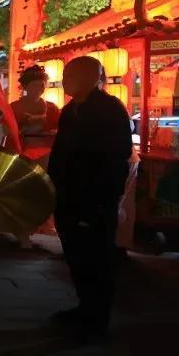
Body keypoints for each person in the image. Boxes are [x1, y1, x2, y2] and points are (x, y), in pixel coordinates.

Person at [47, 56, 132, 340]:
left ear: (91, 78)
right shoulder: (70, 110)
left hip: (95, 198)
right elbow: (59, 154)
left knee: (97, 258)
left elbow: (115, 159)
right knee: (76, 256)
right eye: (66, 74)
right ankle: (84, 307)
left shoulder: (109, 110)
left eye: (72, 74)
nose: (66, 79)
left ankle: (98, 320)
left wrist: (102, 198)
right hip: (67, 196)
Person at [10, 65, 60, 157]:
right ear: (25, 87)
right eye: (34, 85)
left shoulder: (52, 108)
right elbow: (8, 132)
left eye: (42, 85)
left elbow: (60, 129)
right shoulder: (14, 107)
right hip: (21, 152)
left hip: (47, 152)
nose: (39, 88)